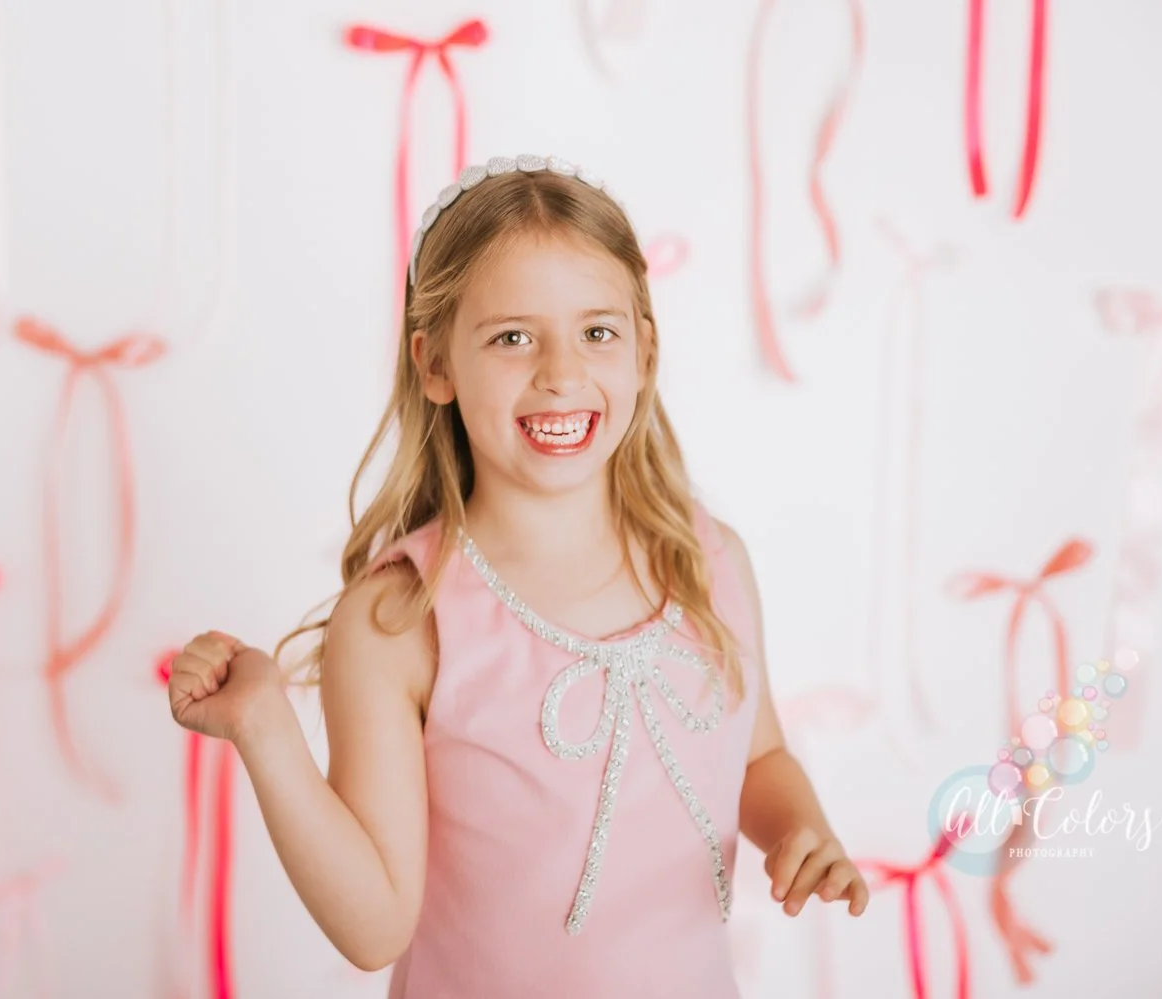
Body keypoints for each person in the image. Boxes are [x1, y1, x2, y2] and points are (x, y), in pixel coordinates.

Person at [166, 153, 869, 998]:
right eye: (512, 337)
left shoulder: (709, 561)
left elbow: (761, 759)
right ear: (435, 364)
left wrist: (799, 829)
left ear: (644, 349)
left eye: (597, 332)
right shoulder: (400, 619)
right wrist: (266, 729)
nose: (561, 373)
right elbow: (375, 926)